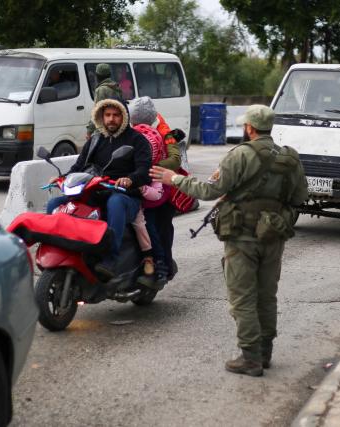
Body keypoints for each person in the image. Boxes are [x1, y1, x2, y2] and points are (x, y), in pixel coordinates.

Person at [151, 105, 308, 377]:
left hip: (242, 237)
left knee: (243, 298)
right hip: (273, 236)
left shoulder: (240, 155)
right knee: (266, 296)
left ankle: (250, 358)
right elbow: (299, 197)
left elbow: (210, 190)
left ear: (249, 128)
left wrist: (172, 178)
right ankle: (265, 352)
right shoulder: (289, 158)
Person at [46, 98, 152, 286]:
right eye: (108, 115)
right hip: (95, 192)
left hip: (125, 196)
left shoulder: (137, 140)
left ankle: (111, 259)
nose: (111, 119)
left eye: (116, 115)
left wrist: (130, 179)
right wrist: (62, 178)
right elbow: (80, 166)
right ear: (101, 117)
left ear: (124, 117)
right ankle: (58, 250)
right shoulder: (95, 140)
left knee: (115, 202)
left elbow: (144, 171)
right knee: (55, 204)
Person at [129, 96, 181, 282]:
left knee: (158, 228)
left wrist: (147, 166)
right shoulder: (126, 128)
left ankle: (163, 267)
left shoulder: (164, 132)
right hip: (140, 183)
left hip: (162, 188)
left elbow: (175, 159)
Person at [86, 64, 123, 139]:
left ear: (97, 76)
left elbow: (96, 112)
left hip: (103, 130)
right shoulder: (116, 87)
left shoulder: (101, 90)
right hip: (115, 128)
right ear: (109, 75)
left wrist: (89, 131)